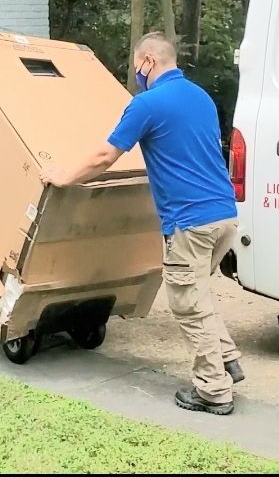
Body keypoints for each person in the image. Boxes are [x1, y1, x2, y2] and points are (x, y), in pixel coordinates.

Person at [40, 32, 244, 416]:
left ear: (149, 60)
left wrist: (62, 176)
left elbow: (104, 155)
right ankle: (228, 360)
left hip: (191, 221)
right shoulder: (200, 97)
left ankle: (214, 390)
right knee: (198, 290)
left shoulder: (147, 104)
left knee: (186, 303)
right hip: (224, 216)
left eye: (137, 67)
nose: (137, 74)